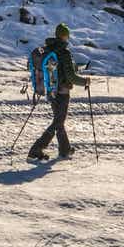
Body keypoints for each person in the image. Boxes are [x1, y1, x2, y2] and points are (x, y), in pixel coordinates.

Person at [27, 23, 92, 162]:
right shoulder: (64, 52)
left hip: (50, 90)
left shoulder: (49, 49)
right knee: (58, 122)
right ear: (64, 36)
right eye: (67, 35)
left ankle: (65, 149)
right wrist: (84, 82)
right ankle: (36, 149)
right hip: (62, 92)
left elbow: (60, 69)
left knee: (59, 120)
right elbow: (70, 77)